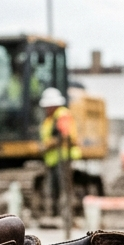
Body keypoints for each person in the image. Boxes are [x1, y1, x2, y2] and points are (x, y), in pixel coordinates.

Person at [39, 87, 81, 217]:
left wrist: (49, 144)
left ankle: (66, 215)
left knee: (64, 189)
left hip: (63, 157)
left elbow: (65, 135)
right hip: (54, 159)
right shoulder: (50, 118)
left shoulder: (62, 115)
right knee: (54, 189)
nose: (46, 109)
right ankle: (56, 215)